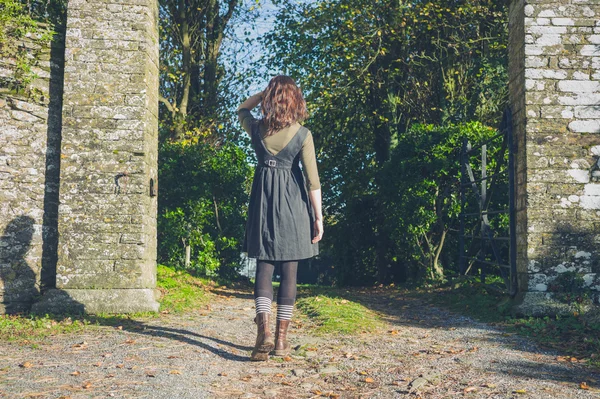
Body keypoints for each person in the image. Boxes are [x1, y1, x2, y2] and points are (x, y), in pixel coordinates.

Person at [237, 75, 323, 361]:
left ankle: (264, 331)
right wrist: (318, 217)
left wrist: (263, 95)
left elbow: (241, 109)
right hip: (294, 206)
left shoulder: (257, 128)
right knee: (289, 271)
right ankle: (282, 341)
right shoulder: (303, 134)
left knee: (264, 265)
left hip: (262, 203)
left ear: (272, 99)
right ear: (295, 100)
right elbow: (313, 181)